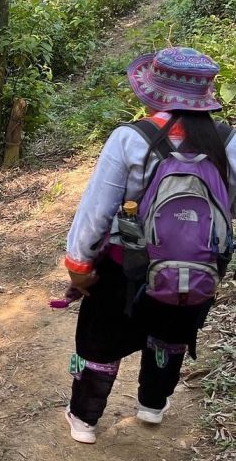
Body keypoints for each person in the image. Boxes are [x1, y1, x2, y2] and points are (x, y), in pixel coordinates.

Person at [62, 47, 236, 444]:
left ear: (154, 92)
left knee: (101, 338)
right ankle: (153, 405)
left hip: (126, 267)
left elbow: (97, 209)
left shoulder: (130, 139)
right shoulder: (227, 141)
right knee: (172, 333)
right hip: (194, 267)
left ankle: (85, 420)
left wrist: (80, 262)